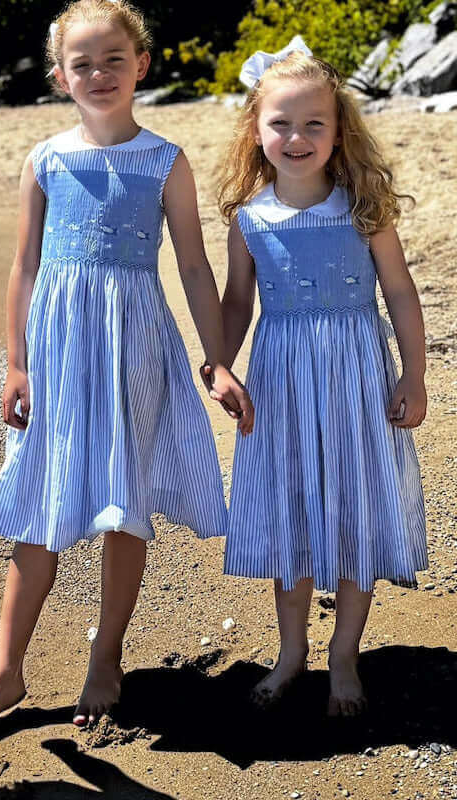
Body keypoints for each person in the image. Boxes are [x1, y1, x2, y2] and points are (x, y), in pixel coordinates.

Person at [0, 0, 253, 752]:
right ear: (60, 77)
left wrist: (217, 359)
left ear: (141, 65)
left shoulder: (165, 160)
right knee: (42, 501)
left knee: (125, 502)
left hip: (135, 343)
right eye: (82, 63)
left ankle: (106, 654)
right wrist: (17, 363)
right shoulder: (46, 159)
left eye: (113, 59)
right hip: (58, 348)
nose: (99, 73)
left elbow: (190, 262)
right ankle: (4, 671)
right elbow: (23, 267)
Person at [214, 37, 427, 716]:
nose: (297, 137)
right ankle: (291, 650)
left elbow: (399, 293)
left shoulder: (363, 208)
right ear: (256, 129)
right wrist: (219, 365)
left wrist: (413, 374)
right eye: (281, 123)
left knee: (356, 503)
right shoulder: (249, 218)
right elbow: (238, 301)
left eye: (314, 123)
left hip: (357, 378)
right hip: (279, 382)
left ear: (339, 132)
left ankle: (344, 657)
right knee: (293, 509)